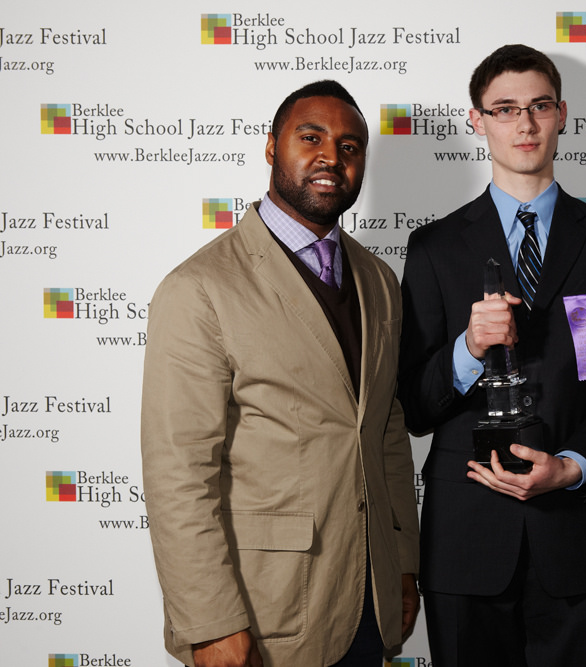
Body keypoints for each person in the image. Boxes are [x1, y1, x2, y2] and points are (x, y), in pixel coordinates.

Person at [140, 80, 420, 667]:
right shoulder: (200, 288)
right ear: (272, 147)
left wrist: (402, 564)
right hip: (264, 611)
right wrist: (210, 622)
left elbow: (386, 431)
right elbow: (178, 473)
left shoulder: (378, 280)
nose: (331, 157)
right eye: (310, 138)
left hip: (370, 603)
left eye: (349, 147)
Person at [397, 44, 586, 667]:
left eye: (539, 106)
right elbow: (414, 407)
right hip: (467, 542)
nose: (525, 123)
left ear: (562, 114)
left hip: (576, 536)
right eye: (505, 109)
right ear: (478, 120)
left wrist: (572, 467)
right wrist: (468, 348)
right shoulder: (432, 247)